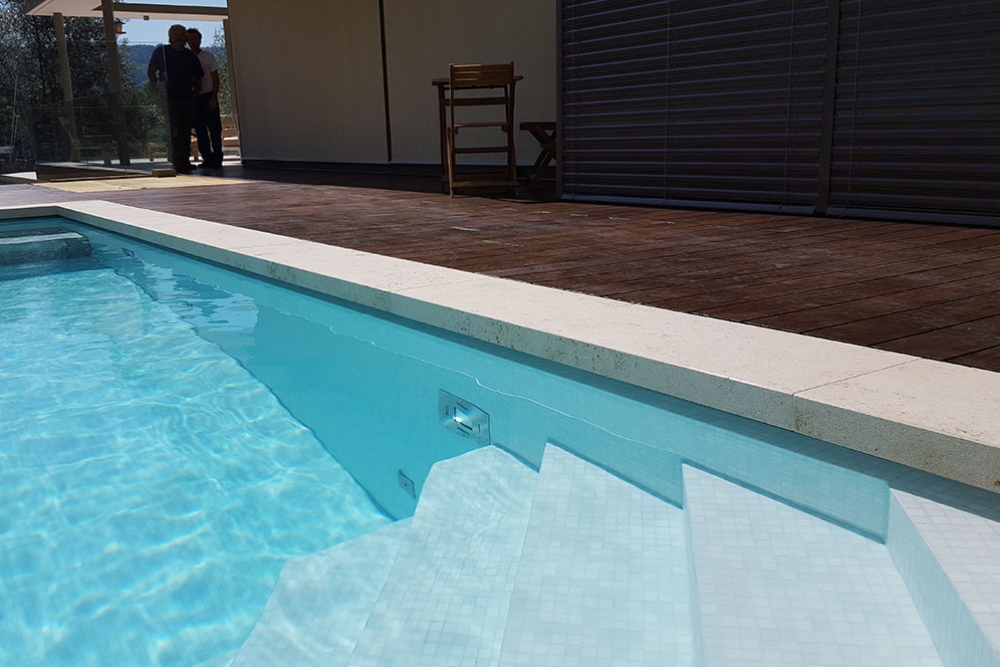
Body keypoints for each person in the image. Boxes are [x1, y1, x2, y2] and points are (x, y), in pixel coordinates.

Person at [147, 24, 203, 174]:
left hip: (187, 98)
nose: (179, 38)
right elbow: (151, 71)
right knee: (174, 130)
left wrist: (195, 96)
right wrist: (157, 90)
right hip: (169, 98)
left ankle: (184, 161)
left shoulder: (190, 55)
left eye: (182, 35)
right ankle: (175, 161)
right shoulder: (162, 52)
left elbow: (198, 77)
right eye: (176, 35)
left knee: (185, 131)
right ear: (170, 37)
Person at [187, 28, 224, 169]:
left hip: (208, 96)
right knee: (200, 130)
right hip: (195, 98)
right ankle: (207, 158)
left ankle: (217, 157)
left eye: (195, 39)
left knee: (215, 129)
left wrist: (214, 97)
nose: (193, 42)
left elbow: (215, 78)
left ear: (200, 40)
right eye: (190, 39)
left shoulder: (208, 57)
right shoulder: (186, 58)